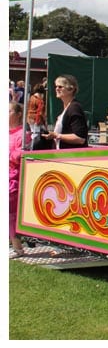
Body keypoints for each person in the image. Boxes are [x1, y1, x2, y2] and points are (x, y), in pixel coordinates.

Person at [43, 74, 89, 148]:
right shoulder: (67, 108)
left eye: (60, 87)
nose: (57, 89)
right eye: (56, 86)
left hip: (72, 156)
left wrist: (56, 135)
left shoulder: (74, 108)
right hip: (63, 154)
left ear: (71, 89)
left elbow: (80, 138)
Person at [9, 101, 30, 257]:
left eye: (9, 110)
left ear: (17, 114)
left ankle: (18, 247)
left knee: (10, 215)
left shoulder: (23, 134)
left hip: (14, 179)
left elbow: (21, 155)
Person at [27, 84, 47, 150]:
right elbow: (40, 112)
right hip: (36, 119)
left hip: (30, 118)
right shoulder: (40, 101)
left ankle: (32, 148)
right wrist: (39, 121)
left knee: (33, 134)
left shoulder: (31, 97)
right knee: (36, 135)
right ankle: (33, 149)